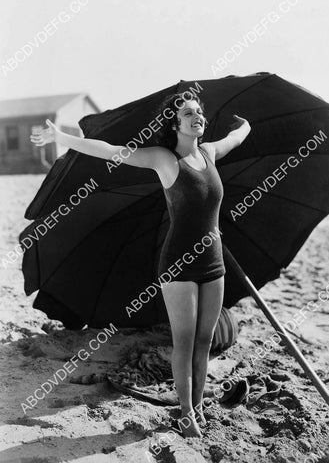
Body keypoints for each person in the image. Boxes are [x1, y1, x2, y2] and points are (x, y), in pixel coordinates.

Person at [30, 92, 251, 437]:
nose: (197, 118)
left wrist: (246, 124)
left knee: (205, 341)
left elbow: (234, 139)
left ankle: (198, 406)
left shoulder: (208, 154)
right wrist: (61, 137)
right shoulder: (164, 160)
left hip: (214, 262)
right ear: (175, 124)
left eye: (199, 113)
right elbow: (108, 150)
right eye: (188, 113)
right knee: (185, 340)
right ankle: (186, 412)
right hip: (179, 263)